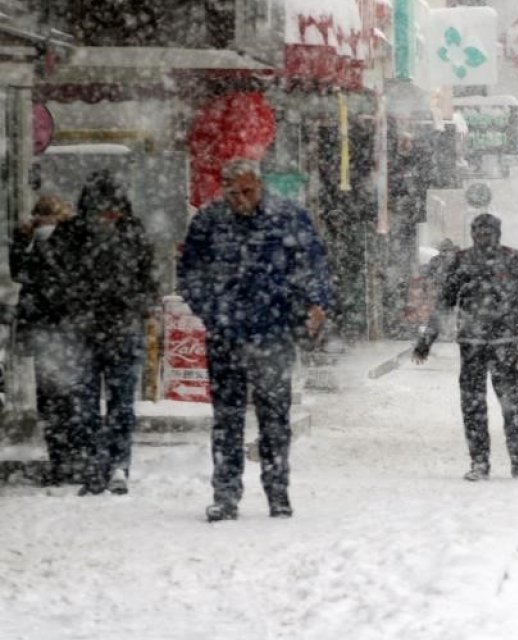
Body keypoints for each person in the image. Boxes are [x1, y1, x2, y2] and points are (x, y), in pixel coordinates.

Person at [178, 158, 333, 521]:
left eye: (247, 191)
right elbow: (190, 275)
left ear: (259, 186)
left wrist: (315, 304)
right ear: (224, 189)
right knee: (227, 418)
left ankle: (277, 492)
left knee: (275, 418)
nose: (240, 199)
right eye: (233, 193)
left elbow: (313, 264)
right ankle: (226, 493)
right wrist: (212, 312)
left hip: (274, 332)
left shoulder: (288, 218)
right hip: (226, 334)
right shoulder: (209, 222)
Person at [50, 171, 158, 496]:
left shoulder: (128, 234)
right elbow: (56, 279)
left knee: (119, 403)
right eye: (103, 209)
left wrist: (132, 302)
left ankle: (115, 464)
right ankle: (98, 465)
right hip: (90, 330)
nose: (109, 216)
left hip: (115, 328)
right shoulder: (73, 235)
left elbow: (148, 282)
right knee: (87, 405)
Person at [414, 213, 518, 481]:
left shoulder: (511, 258)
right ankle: (480, 461)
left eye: (488, 232)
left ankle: (517, 461)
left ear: (497, 233)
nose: (484, 238)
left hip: (503, 341)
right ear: (473, 234)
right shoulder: (463, 260)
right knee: (474, 404)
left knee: (510, 403)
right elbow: (445, 301)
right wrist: (428, 338)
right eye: (479, 232)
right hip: (472, 342)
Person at [12, 195, 82, 485]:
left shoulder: (59, 242)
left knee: (57, 399)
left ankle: (64, 460)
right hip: (60, 327)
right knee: (63, 398)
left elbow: (24, 275)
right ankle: (67, 459)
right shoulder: (44, 243)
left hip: (53, 326)